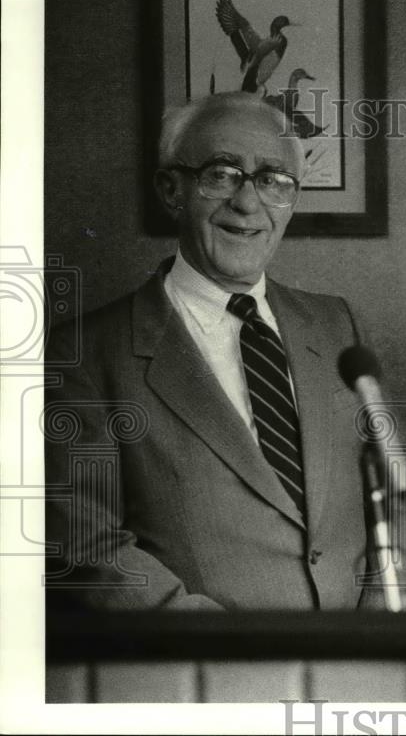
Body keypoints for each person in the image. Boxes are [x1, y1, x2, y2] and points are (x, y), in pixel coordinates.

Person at [45, 92, 375, 610]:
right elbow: (89, 547)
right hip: (206, 674)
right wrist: (234, 658)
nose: (248, 203)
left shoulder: (337, 324)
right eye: (222, 174)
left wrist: (384, 642)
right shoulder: (84, 355)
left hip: (366, 669)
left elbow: (392, 503)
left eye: (273, 180)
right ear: (171, 189)